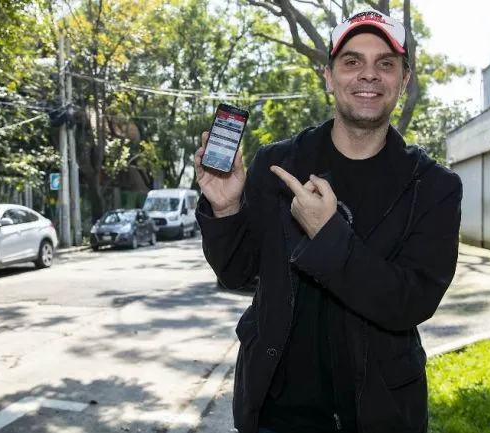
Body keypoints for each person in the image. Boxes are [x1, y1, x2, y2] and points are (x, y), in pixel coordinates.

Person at [194, 8, 462, 433]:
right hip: (275, 413)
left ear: (403, 80)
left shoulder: (433, 186)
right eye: (352, 61)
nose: (368, 75)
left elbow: (411, 302)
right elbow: (235, 271)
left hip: (378, 413)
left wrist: (328, 235)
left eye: (385, 64)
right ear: (328, 76)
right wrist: (225, 209)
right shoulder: (278, 164)